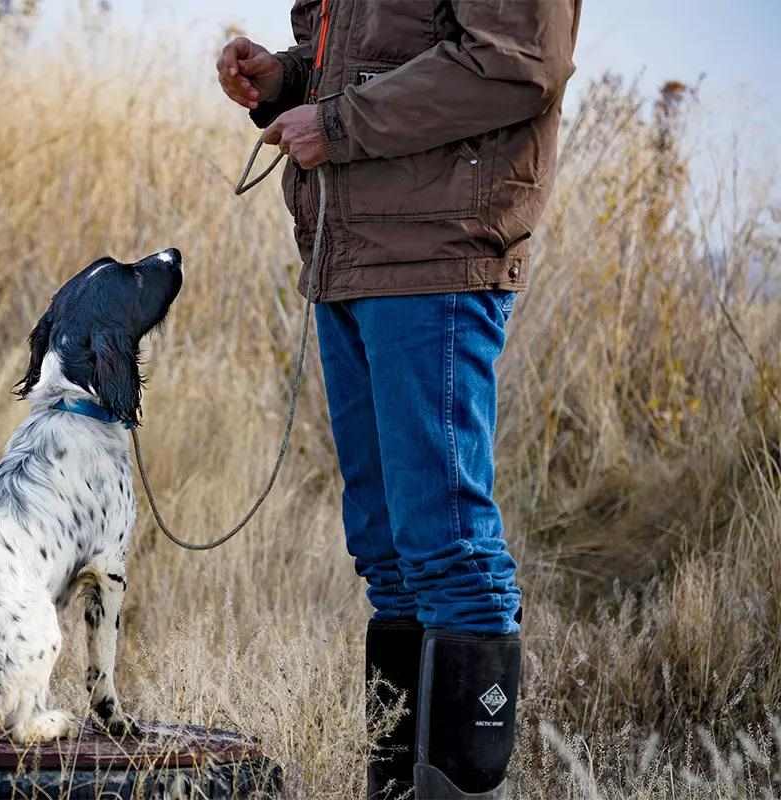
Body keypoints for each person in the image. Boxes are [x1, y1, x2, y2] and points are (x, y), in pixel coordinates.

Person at [217, 2, 581, 798]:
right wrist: (286, 81)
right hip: (349, 254)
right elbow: (377, 55)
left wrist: (340, 125)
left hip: (438, 256)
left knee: (449, 552)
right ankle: (394, 786)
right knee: (390, 559)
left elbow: (520, 61)